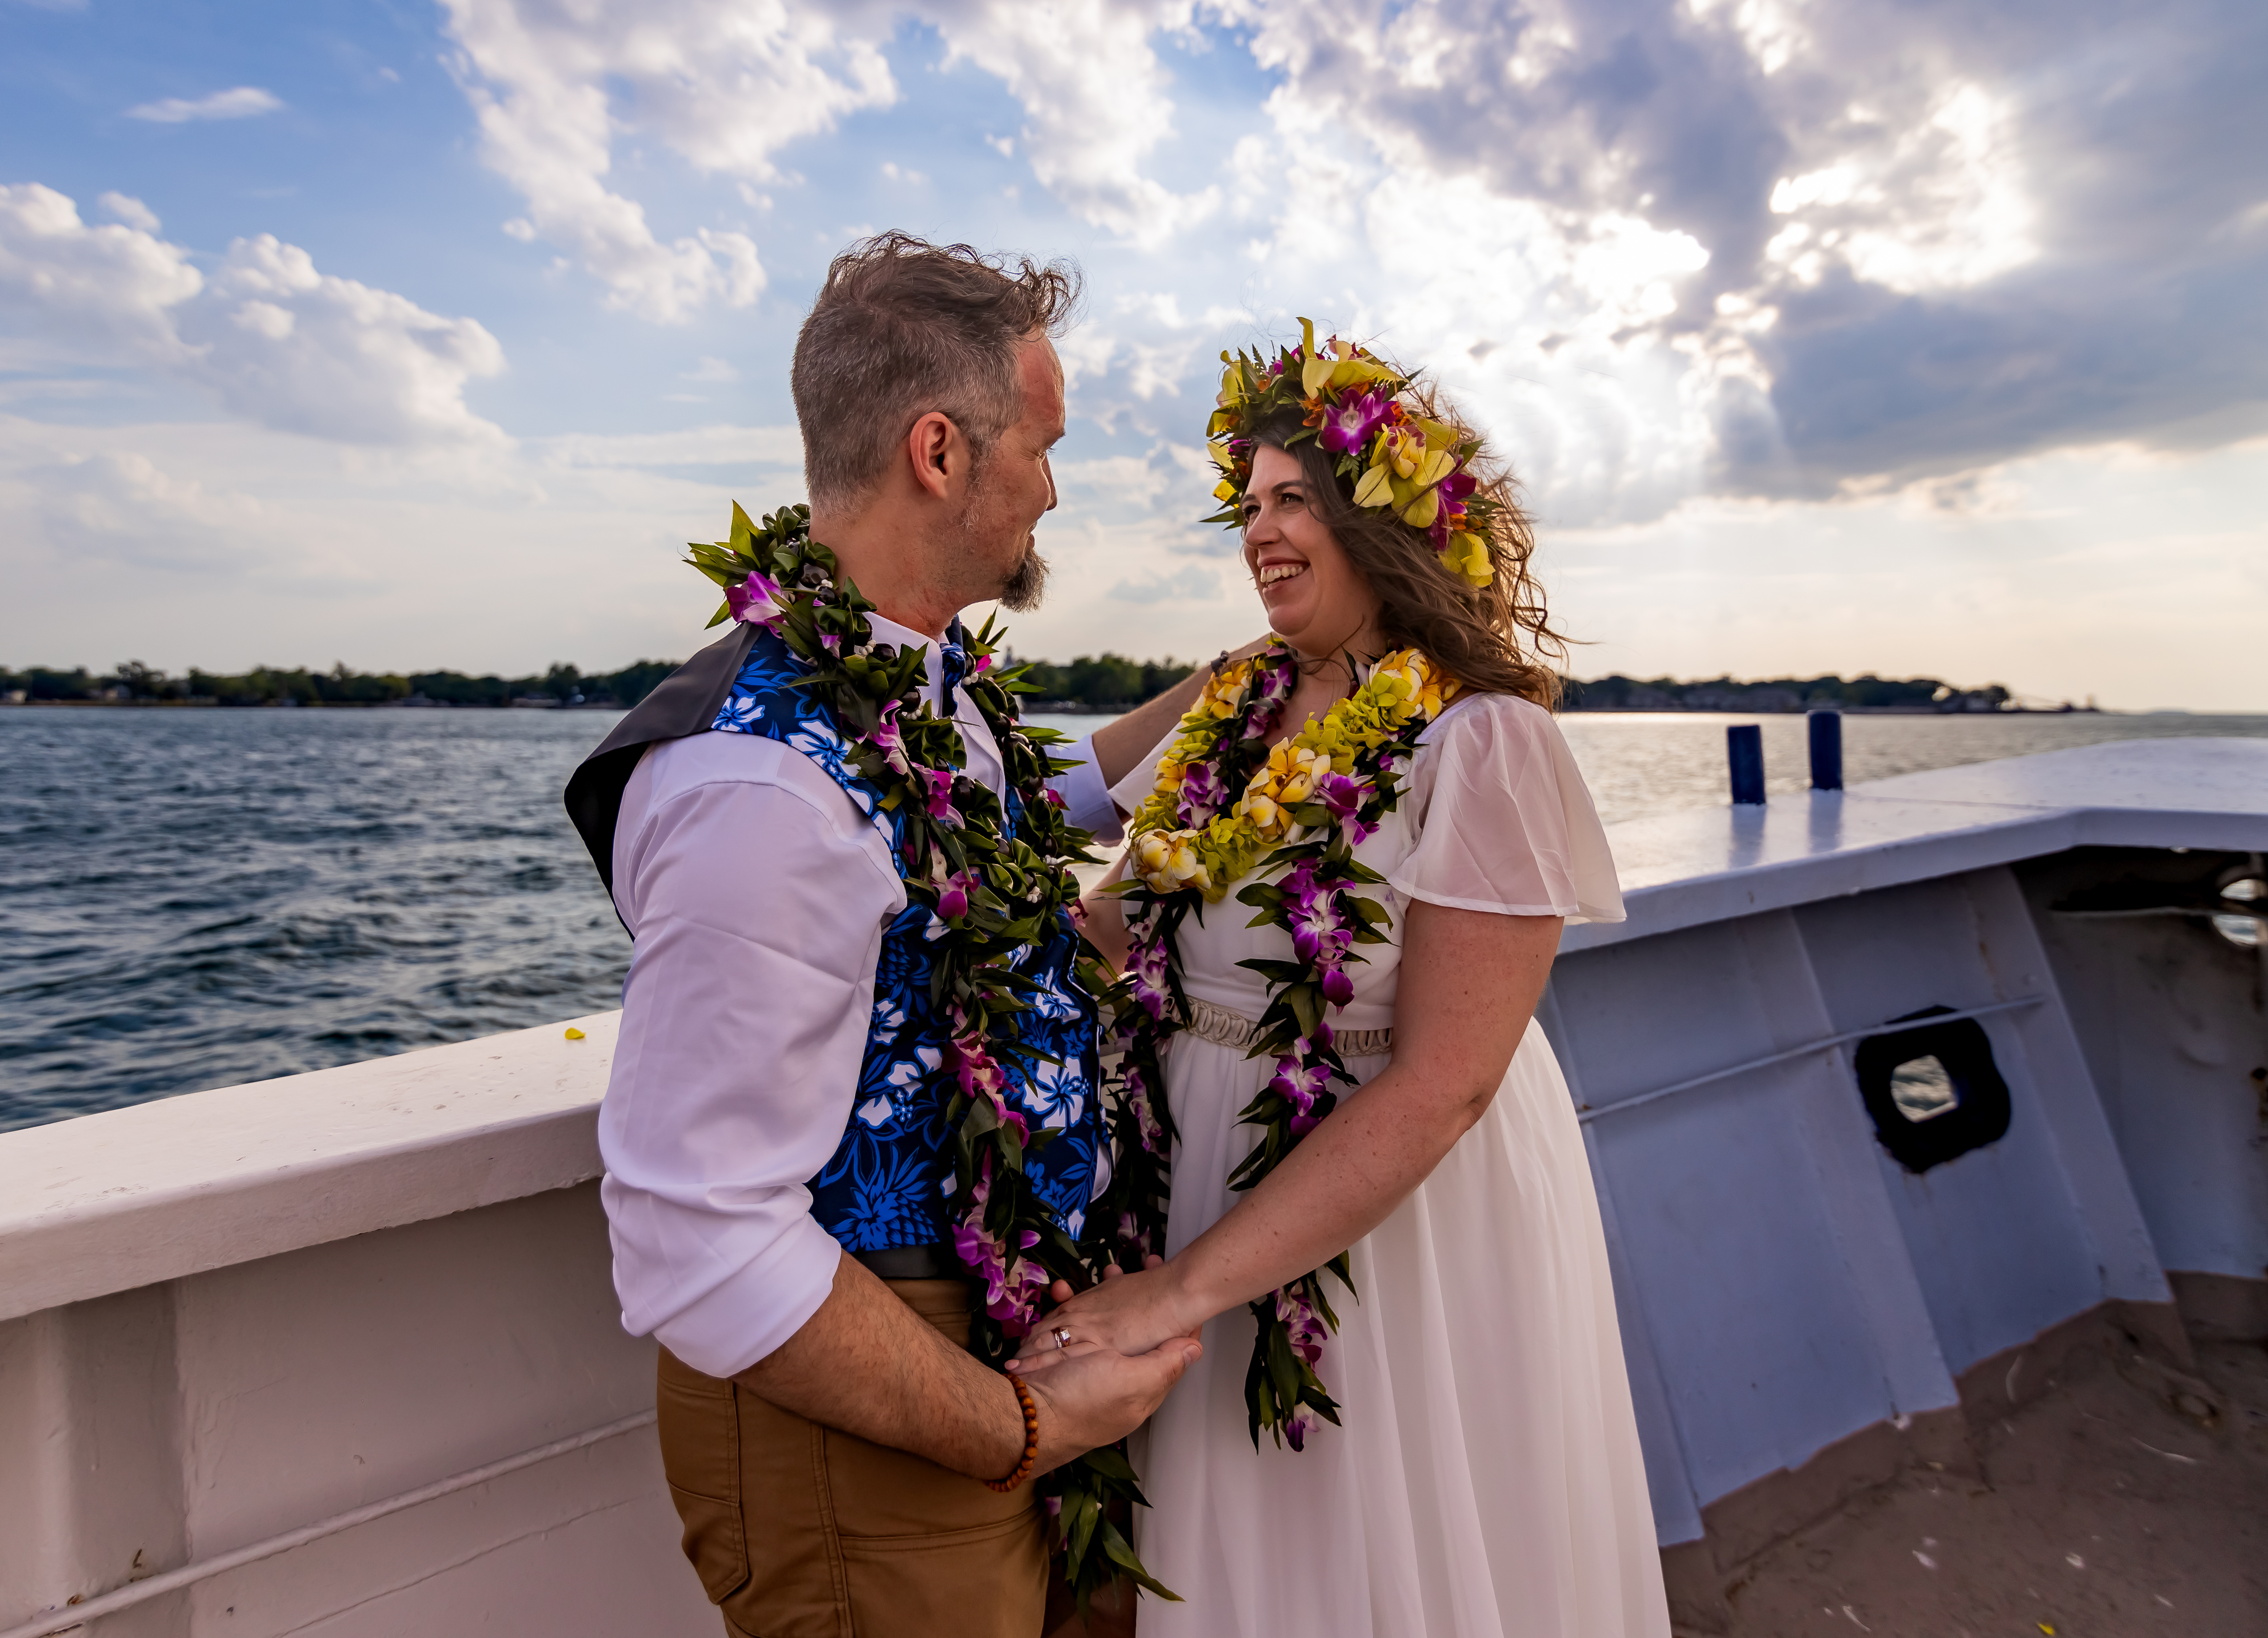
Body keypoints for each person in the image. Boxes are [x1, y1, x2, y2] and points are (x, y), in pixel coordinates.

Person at [563, 234, 1211, 1638]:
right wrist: (1020, 1425)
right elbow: (699, 1236)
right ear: (940, 451)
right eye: (1038, 447)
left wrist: (1235, 695)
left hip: (988, 1327)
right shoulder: (764, 786)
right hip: (879, 1401)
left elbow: (1039, 822)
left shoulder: (919, 693)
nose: (1052, 487)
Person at [1024, 329, 1674, 1636]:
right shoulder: (1235, 704)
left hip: (1391, 1213)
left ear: (1384, 521)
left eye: (1293, 500)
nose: (1258, 529)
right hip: (1195, 1162)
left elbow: (1446, 1084)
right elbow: (1069, 841)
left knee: (1371, 1544)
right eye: (1246, 503)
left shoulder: (1482, 742)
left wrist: (1174, 1292)